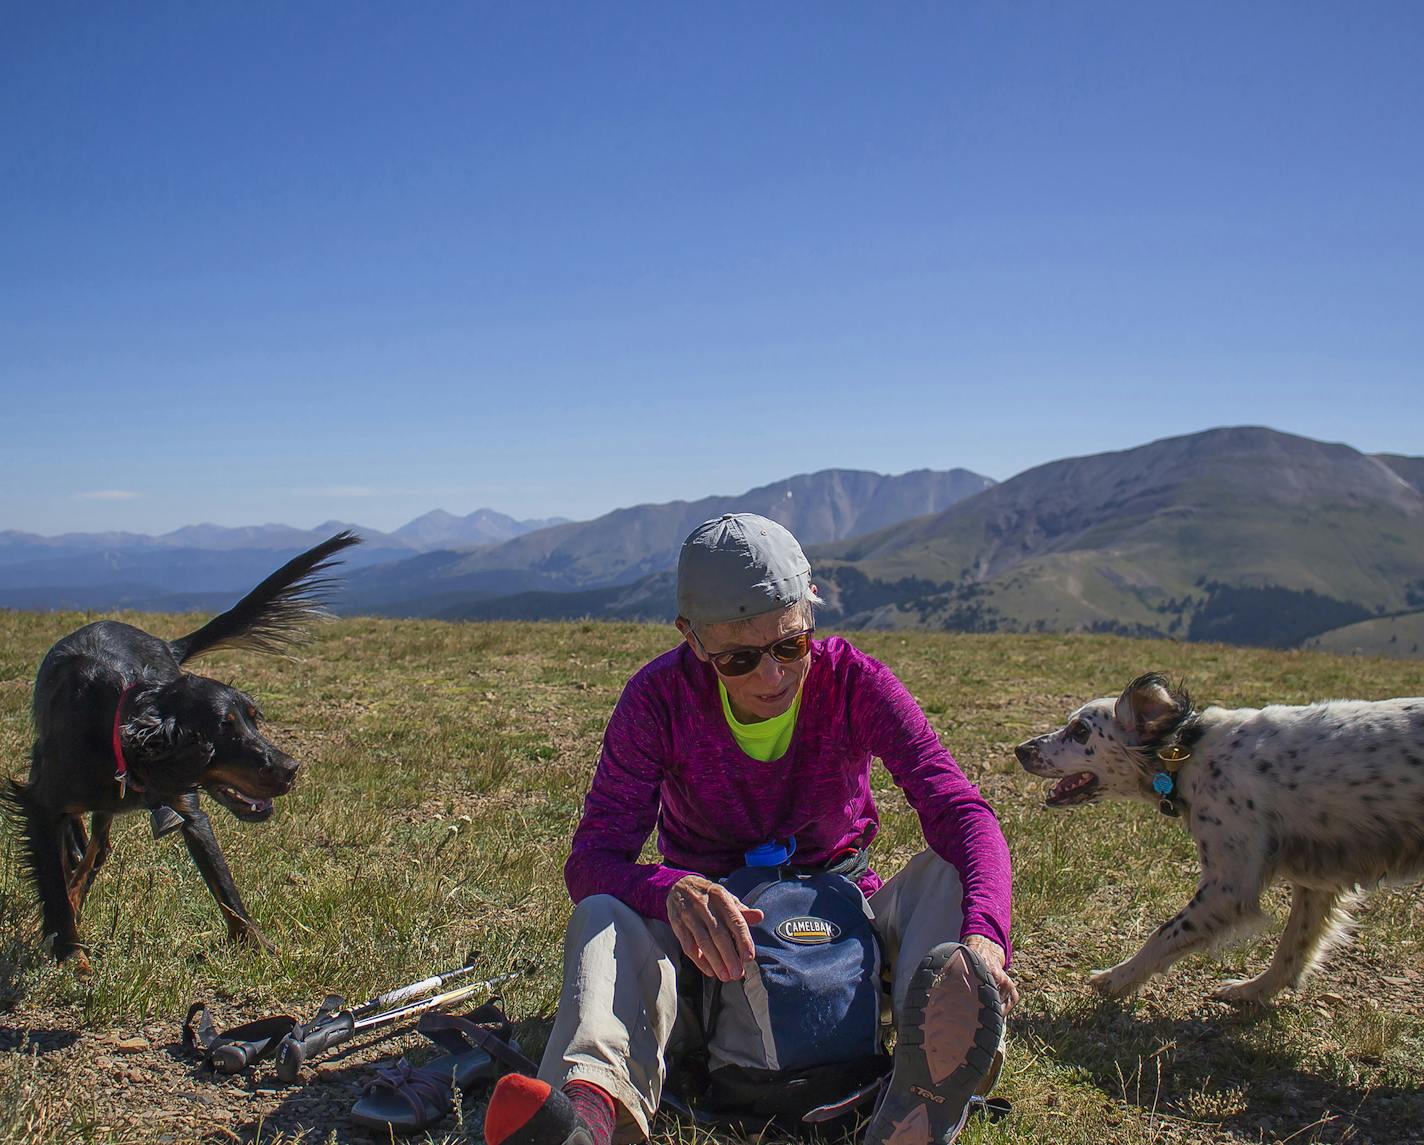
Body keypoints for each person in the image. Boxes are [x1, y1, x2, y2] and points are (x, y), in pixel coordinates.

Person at [484, 513, 1017, 1145]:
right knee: (602, 913)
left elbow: (962, 813)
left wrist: (982, 943)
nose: (774, 676)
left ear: (810, 613)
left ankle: (927, 1073)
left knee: (956, 869)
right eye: (739, 657)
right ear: (691, 636)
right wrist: (671, 890)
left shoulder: (856, 682)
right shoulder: (657, 700)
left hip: (849, 921)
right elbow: (593, 860)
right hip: (708, 936)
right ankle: (592, 1115)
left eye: (792, 646)